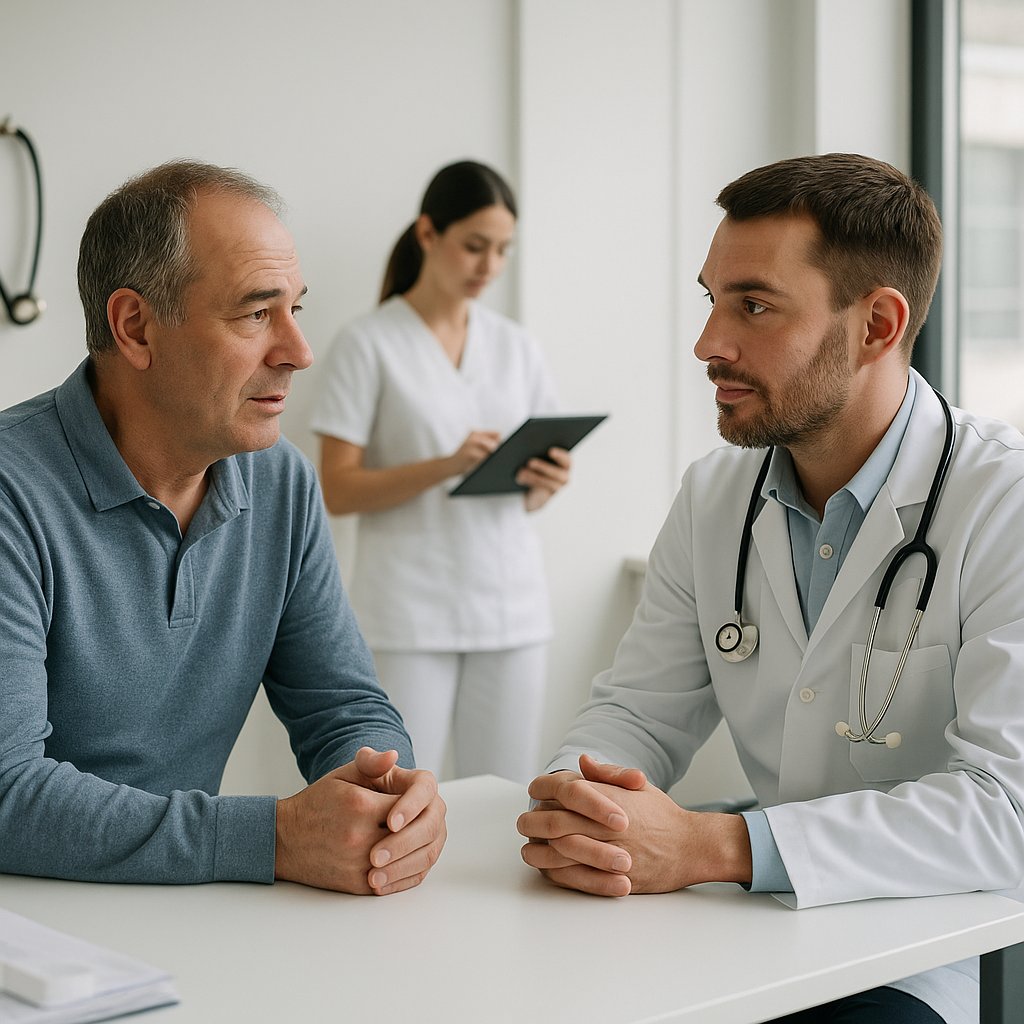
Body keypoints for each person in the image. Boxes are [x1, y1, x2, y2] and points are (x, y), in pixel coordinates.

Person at [516, 153, 1024, 1024]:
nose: (710, 343)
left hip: (935, 949)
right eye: (711, 299)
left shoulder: (1001, 501)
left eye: (752, 305)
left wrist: (718, 843)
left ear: (876, 325)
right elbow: (637, 712)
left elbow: (1008, 814)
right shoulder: (716, 496)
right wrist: (582, 802)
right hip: (765, 929)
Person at [0, 160, 446, 896]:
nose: (299, 352)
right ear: (135, 328)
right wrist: (269, 838)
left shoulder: (281, 482)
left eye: (296, 309)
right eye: (254, 313)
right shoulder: (14, 488)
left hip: (185, 910)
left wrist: (387, 798)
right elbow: (8, 793)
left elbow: (342, 704)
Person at [310, 160, 571, 783]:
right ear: (428, 234)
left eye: (503, 250)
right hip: (410, 612)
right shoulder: (368, 343)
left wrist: (544, 483)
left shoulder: (515, 346)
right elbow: (337, 489)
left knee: (509, 795)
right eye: (474, 246)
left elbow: (530, 486)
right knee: (398, 790)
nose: (489, 266)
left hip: (511, 607)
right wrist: (446, 465)